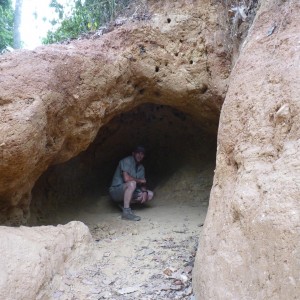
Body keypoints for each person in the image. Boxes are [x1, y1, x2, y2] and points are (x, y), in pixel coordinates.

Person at [109, 146, 154, 221]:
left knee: (150, 194)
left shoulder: (141, 167)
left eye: (142, 154)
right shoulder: (127, 161)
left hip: (129, 190)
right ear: (133, 154)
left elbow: (143, 183)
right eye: (138, 153)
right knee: (132, 183)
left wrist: (145, 192)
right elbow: (126, 179)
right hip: (116, 190)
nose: (140, 156)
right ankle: (126, 212)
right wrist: (140, 181)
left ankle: (123, 204)